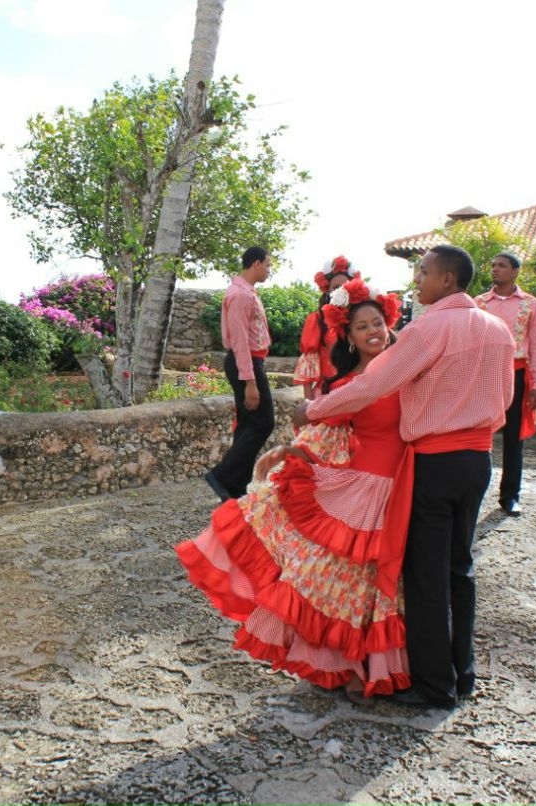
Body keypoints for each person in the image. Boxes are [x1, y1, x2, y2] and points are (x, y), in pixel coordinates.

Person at [294, 245, 515, 709]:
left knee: (425, 575)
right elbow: (506, 398)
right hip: (478, 460)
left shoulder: (427, 329)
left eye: (424, 271)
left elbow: (373, 384)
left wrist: (313, 410)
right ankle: (463, 673)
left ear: (447, 279)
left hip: (434, 460)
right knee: (460, 567)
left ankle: (434, 686)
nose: (417, 279)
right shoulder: (498, 329)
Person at [179, 280, 412, 698]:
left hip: (399, 485)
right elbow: (327, 437)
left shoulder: (406, 368)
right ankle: (349, 666)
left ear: (389, 323)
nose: (373, 332)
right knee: (342, 581)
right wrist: (288, 451)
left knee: (376, 583)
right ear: (349, 336)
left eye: (378, 323)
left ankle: (368, 665)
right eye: (362, 327)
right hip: (366, 490)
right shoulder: (350, 384)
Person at [474, 252, 536, 517]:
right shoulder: (479, 303)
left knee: (514, 438)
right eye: (493, 265)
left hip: (516, 374)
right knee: (478, 434)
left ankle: (510, 496)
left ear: (515, 271)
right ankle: (474, 492)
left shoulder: (530, 305)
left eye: (502, 266)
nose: (495, 269)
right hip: (486, 375)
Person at [203, 246, 274, 501]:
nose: (269, 270)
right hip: (247, 362)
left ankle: (235, 488)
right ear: (256, 264)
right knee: (263, 422)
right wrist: (250, 382)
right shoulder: (241, 295)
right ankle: (222, 477)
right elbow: (240, 341)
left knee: (248, 424)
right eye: (267, 265)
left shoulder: (244, 292)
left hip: (248, 362)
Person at [293, 256, 357, 400]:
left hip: (356, 394)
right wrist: (310, 405)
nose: (341, 291)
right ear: (327, 290)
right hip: (326, 395)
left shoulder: (360, 319)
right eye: (336, 287)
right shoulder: (317, 320)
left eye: (346, 286)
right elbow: (308, 368)